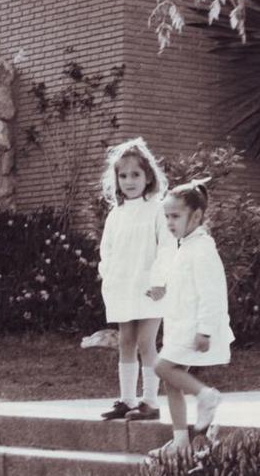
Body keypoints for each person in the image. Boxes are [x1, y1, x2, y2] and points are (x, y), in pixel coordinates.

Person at [151, 179, 234, 456]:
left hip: (193, 327)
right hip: (179, 326)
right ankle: (181, 443)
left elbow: (212, 293)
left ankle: (205, 395)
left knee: (162, 367)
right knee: (170, 380)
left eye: (175, 216)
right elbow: (186, 287)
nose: (170, 222)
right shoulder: (185, 246)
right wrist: (162, 290)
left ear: (196, 216)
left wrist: (206, 330)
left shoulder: (202, 249)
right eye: (167, 217)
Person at [97, 138, 177, 422]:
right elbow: (106, 249)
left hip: (149, 287)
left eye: (136, 174)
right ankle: (127, 400)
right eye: (123, 175)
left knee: (146, 342)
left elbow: (167, 246)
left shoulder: (157, 208)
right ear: (116, 180)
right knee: (126, 341)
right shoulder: (116, 214)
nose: (129, 181)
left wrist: (159, 280)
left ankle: (151, 402)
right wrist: (108, 275)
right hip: (122, 286)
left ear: (148, 177)